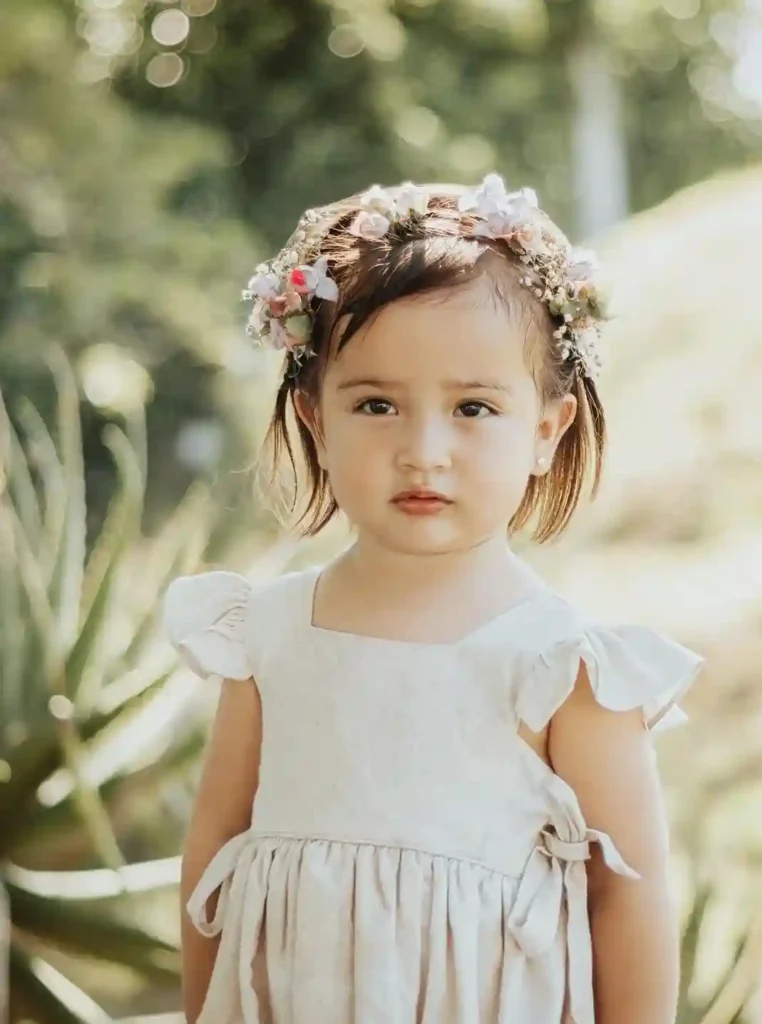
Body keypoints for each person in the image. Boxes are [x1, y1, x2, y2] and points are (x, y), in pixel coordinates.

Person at [163, 174, 704, 1024]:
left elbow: (627, 899)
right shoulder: (265, 636)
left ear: (544, 430)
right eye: (375, 403)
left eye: (472, 408)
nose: (423, 450)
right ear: (313, 418)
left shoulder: (566, 667)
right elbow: (212, 854)